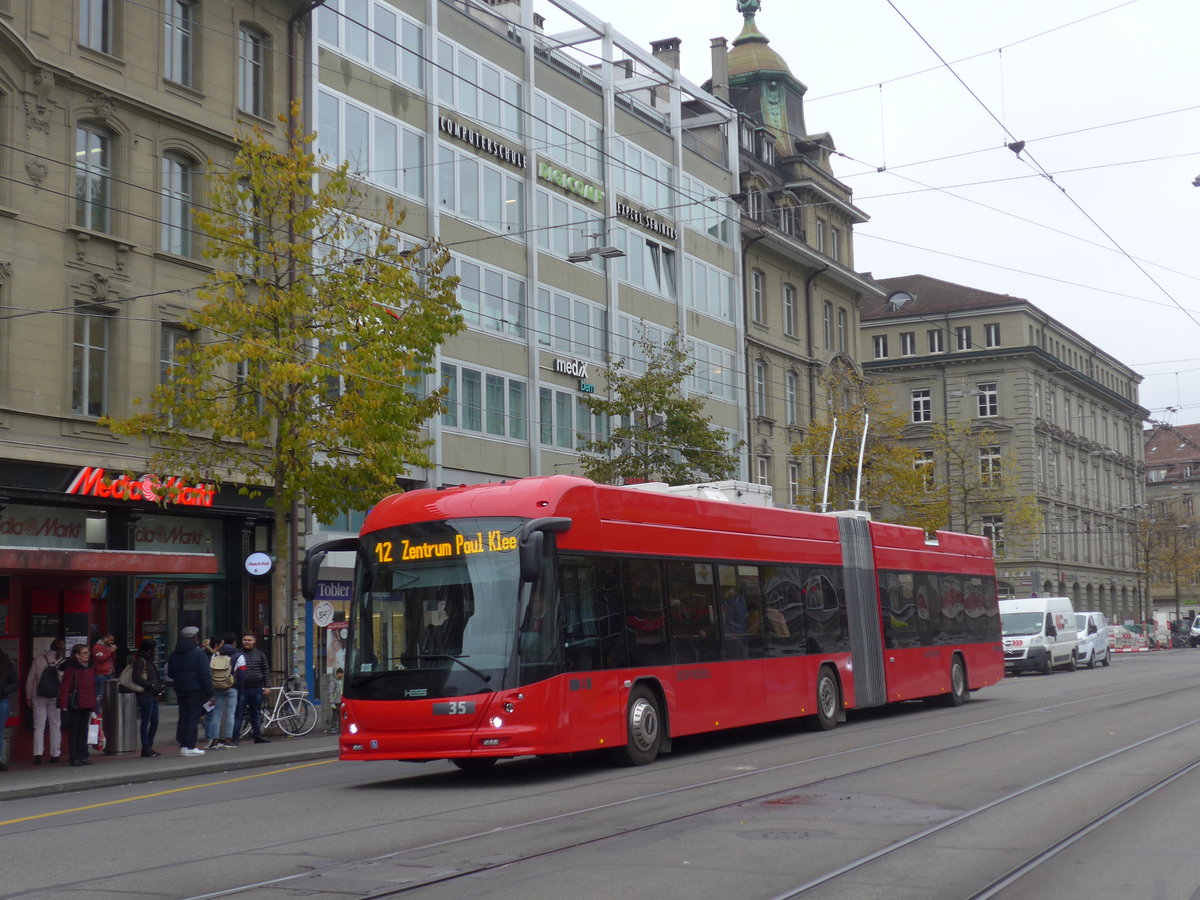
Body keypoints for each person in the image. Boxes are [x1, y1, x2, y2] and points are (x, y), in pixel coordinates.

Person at [167, 626, 213, 757]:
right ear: (194, 638)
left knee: (183, 716)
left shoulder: (174, 653)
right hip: (195, 690)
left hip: (180, 689)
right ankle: (190, 745)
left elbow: (170, 672)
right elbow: (205, 674)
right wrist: (209, 691)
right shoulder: (198, 653)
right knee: (193, 717)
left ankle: (183, 744)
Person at [25, 638, 65, 765]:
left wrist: (28, 697)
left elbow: (30, 679)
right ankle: (55, 754)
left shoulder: (39, 659)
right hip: (55, 697)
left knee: (39, 725)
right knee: (55, 725)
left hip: (39, 695)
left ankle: (37, 754)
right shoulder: (63, 661)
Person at [57, 644, 97, 767]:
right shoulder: (71, 668)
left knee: (84, 730)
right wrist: (63, 704)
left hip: (87, 702)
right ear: (77, 655)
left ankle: (83, 755)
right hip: (76, 703)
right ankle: (74, 757)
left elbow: (92, 686)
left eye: (87, 652)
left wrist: (94, 703)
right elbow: (65, 687)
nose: (87, 655)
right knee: (74, 731)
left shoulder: (89, 667)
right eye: (84, 653)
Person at [207, 633, 244, 749]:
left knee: (216, 714)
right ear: (234, 643)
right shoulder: (239, 656)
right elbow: (242, 674)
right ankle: (228, 739)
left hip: (217, 687)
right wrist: (240, 689)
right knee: (230, 714)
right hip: (232, 687)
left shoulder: (215, 655)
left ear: (223, 642)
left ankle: (215, 740)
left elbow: (210, 672)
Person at [130, 638, 165, 758]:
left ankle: (149, 745)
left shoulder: (148, 660)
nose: (155, 651)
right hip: (146, 694)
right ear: (149, 649)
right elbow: (136, 677)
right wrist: (150, 685)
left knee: (154, 721)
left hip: (152, 694)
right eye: (154, 648)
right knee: (146, 721)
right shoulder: (141, 660)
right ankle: (146, 747)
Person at [236, 631, 272, 745]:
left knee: (256, 713)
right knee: (239, 714)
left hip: (257, 688)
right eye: (245, 640)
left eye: (249, 640)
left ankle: (258, 736)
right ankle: (235, 737)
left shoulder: (260, 654)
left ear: (254, 641)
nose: (247, 642)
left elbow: (266, 670)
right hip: (242, 689)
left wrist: (267, 686)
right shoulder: (238, 653)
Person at [0, 649, 17, 771]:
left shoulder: (7, 663)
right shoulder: (7, 662)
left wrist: (4, 691)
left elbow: (16, 682)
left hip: (2, 700)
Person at [91, 632, 117, 705]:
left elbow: (113, 658)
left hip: (110, 673)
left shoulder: (108, 646)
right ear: (105, 638)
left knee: (109, 696)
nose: (112, 642)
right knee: (99, 695)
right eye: (110, 640)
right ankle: (97, 712)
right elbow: (100, 659)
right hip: (101, 674)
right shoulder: (97, 647)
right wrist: (110, 652)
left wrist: (113, 652)